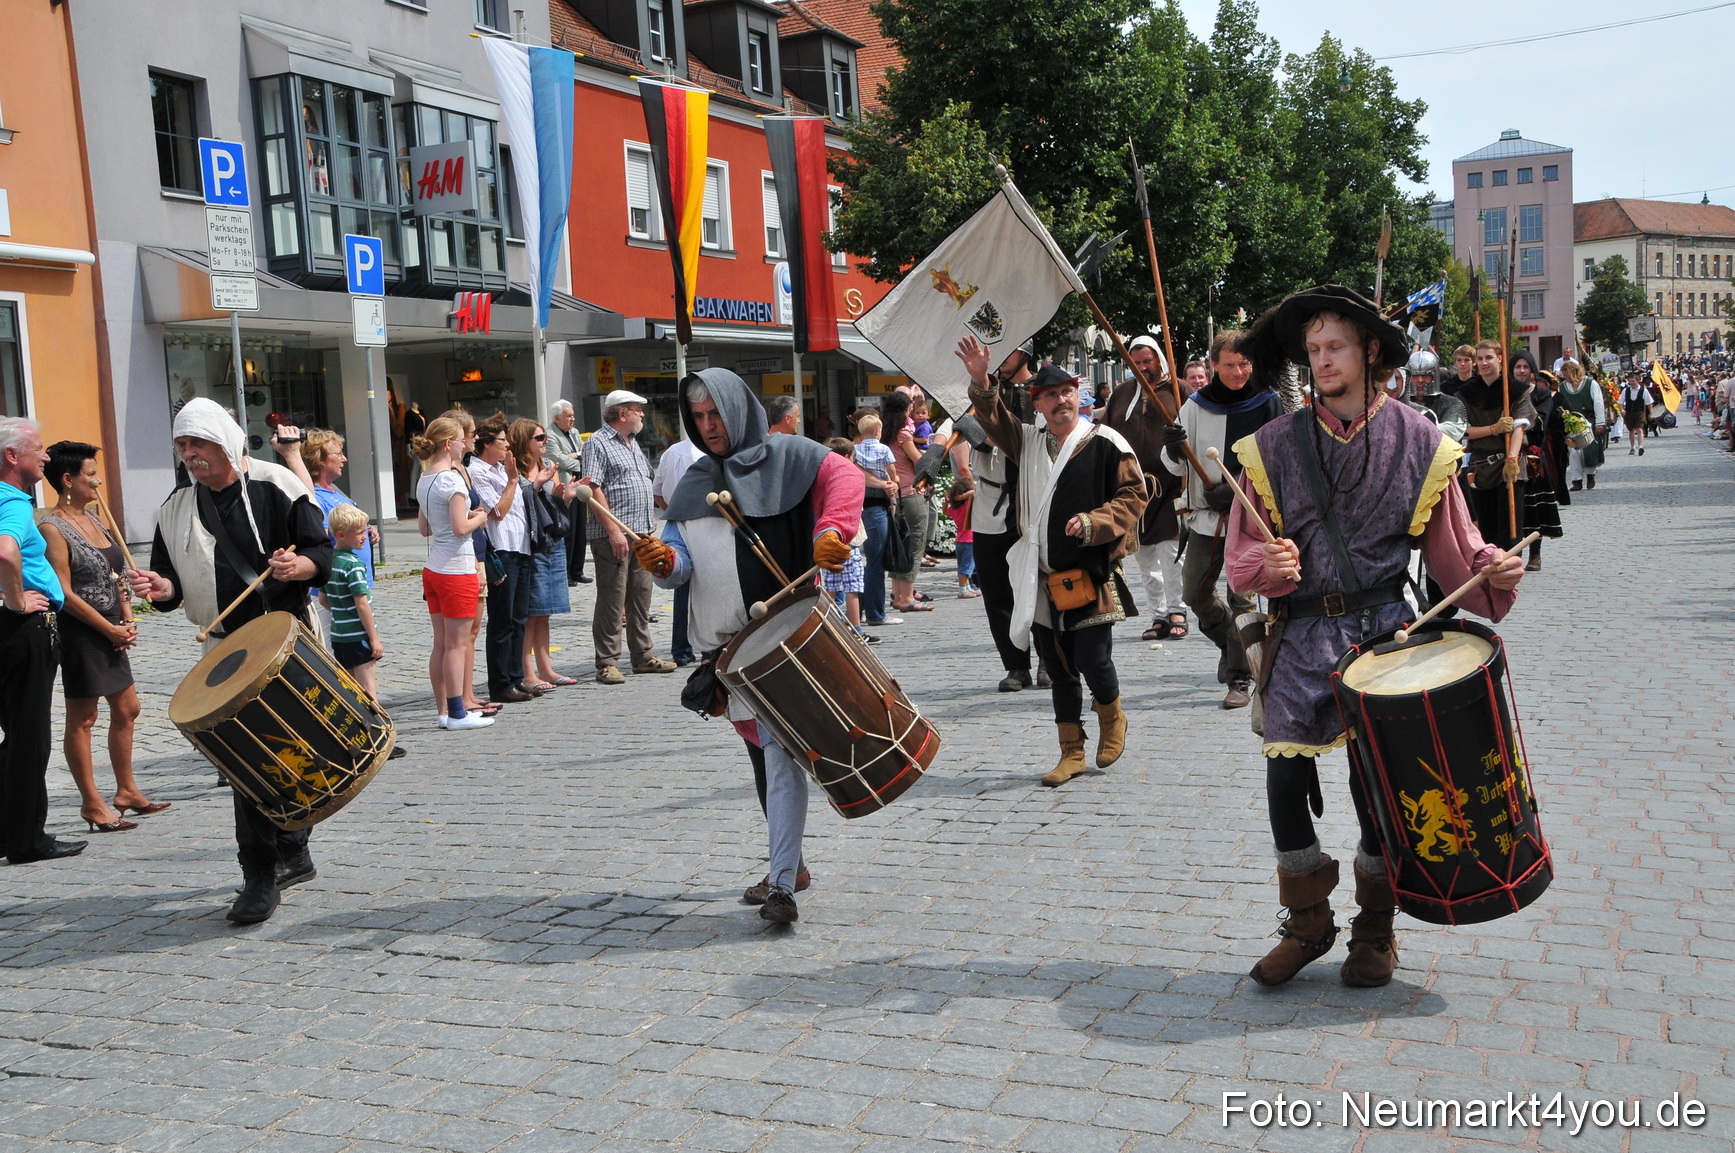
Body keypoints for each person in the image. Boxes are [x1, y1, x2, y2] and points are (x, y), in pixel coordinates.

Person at [1227, 284, 1525, 988]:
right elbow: (1240, 553)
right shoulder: (1270, 445)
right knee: (1283, 778)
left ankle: (1375, 926)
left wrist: (1495, 569)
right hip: (1299, 635)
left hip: (1385, 633)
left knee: (1378, 790)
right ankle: (1305, 922)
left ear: (1368, 352)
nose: (1321, 361)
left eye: (1333, 347)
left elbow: (1456, 547)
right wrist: (1266, 567)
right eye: (1312, 350)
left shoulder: (1420, 440)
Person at [639, 368, 865, 922]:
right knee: (767, 762)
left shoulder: (790, 455)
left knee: (780, 759)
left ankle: (783, 884)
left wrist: (830, 530)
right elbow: (682, 562)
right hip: (727, 655)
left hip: (785, 641)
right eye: (698, 417)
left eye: (716, 413)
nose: (708, 426)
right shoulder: (695, 480)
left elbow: (847, 481)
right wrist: (664, 564)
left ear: (738, 409)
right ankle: (792, 865)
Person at [127, 400, 333, 922]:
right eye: (181, 445)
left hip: (287, 640)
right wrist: (160, 587)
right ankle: (258, 878)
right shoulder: (174, 507)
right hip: (224, 650)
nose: (189, 453)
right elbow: (169, 586)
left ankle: (295, 846)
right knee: (246, 765)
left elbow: (322, 555)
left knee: (297, 751)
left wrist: (297, 566)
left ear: (224, 440)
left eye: (197, 443)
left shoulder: (279, 485)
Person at [958, 341, 1147, 787]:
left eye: (1067, 391)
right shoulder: (1026, 441)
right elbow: (994, 419)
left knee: (1093, 659)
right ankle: (1071, 751)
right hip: (1038, 575)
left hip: (1090, 572)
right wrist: (983, 380)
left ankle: (1112, 715)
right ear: (1037, 402)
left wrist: (1095, 521)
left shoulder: (1105, 442)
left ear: (1078, 393)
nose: (1060, 400)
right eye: (1050, 394)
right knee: (1058, 667)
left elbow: (1134, 495)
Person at [40, 441, 161, 835]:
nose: (98, 481)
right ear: (67, 480)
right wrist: (108, 627)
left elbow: (117, 573)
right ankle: (92, 803)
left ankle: (126, 790)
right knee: (84, 717)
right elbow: (64, 593)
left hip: (112, 625)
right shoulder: (52, 527)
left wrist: (126, 616)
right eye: (91, 475)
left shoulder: (97, 519)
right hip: (81, 631)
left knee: (128, 708)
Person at [1160, 330, 1284, 710]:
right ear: (1214, 364)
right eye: (1229, 364)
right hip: (1205, 519)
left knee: (1242, 600)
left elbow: (1279, 460)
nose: (1238, 371)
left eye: (1244, 363)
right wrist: (1171, 444)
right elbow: (1175, 464)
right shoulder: (1196, 405)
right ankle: (1232, 647)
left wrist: (1237, 492)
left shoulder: (1268, 401)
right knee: (1195, 593)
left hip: (1250, 518)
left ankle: (1240, 678)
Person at [0, 419, 79, 866]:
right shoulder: (11, 501)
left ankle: (7, 831)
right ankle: (26, 839)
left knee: (13, 734)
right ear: (13, 457)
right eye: (39, 449)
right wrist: (12, 601)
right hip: (23, 630)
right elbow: (5, 551)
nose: (46, 457)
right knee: (29, 737)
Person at [581, 389, 675, 683]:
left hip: (641, 533)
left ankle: (643, 655)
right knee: (612, 598)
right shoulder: (598, 443)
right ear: (622, 414)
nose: (642, 414)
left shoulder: (632, 443)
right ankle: (607, 661)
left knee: (640, 596)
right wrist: (613, 531)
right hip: (615, 535)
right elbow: (594, 489)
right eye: (637, 409)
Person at [1099, 335, 1188, 643]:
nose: (1142, 368)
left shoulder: (1178, 390)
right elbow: (1107, 434)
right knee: (1145, 556)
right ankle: (1159, 614)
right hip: (1133, 488)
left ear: (1158, 360)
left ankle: (1178, 610)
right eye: (1136, 363)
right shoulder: (1122, 394)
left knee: (1170, 551)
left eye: (1147, 362)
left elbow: (1194, 430)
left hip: (1170, 484)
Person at [964, 342, 1040, 691]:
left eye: (1010, 350)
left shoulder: (1045, 389)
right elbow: (970, 433)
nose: (1000, 358)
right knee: (997, 591)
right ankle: (1016, 666)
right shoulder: (974, 392)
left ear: (1024, 354)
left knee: (1040, 588)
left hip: (1034, 498)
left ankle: (1050, 663)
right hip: (991, 501)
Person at [412, 416, 493, 731]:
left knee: (441, 642)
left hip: (434, 568)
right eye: (461, 438)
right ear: (449, 444)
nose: (464, 443)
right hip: (456, 568)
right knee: (457, 645)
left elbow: (424, 527)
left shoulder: (425, 478)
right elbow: (461, 529)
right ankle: (458, 713)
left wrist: (460, 518)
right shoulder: (452, 479)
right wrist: (480, 518)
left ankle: (444, 710)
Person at [469, 415, 537, 704]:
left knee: (519, 617)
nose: (507, 445)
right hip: (501, 548)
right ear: (486, 443)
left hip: (520, 546)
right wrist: (512, 480)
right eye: (501, 441)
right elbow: (497, 510)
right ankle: (500, 683)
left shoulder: (501, 468)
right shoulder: (478, 470)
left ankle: (516, 676)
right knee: (502, 619)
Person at [1456, 341, 1534, 550]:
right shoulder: (1465, 393)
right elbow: (1462, 430)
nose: (1484, 363)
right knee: (1484, 530)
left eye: (1488, 357)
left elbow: (1520, 425)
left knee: (1510, 530)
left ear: (1499, 359)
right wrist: (1493, 428)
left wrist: (1512, 458)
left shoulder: (1516, 390)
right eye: (1480, 359)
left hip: (1509, 464)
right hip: (1480, 466)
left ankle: (1508, 578)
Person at [518, 418, 576, 690]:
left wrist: (565, 497)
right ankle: (527, 671)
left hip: (552, 542)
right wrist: (536, 486)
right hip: (531, 545)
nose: (544, 442)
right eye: (539, 438)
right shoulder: (515, 472)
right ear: (524, 442)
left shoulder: (546, 468)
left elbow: (549, 510)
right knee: (532, 612)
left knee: (545, 611)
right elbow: (517, 506)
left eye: (544, 438)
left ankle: (546, 668)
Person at [320, 504, 385, 704]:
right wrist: (374, 639)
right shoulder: (354, 565)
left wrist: (341, 611)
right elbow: (362, 604)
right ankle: (376, 728)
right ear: (340, 535)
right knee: (368, 691)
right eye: (358, 533)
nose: (364, 536)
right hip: (358, 635)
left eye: (365, 530)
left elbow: (323, 599)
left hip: (339, 636)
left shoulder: (329, 561)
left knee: (350, 691)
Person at [652, 429, 704, 665]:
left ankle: (681, 649)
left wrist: (671, 510)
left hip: (676, 518)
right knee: (704, 584)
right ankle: (706, 647)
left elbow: (658, 493)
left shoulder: (671, 452)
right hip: (699, 521)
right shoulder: (702, 454)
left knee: (681, 584)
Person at [881, 390, 933, 614]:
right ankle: (907, 597)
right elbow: (919, 461)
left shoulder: (883, 434)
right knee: (914, 544)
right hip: (910, 494)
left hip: (893, 497)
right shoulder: (903, 435)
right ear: (905, 410)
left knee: (898, 545)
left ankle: (897, 594)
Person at [851, 411, 899, 627]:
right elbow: (893, 472)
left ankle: (860, 610)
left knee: (865, 561)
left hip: (861, 506)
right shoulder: (884, 449)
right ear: (878, 431)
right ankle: (876, 613)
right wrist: (893, 482)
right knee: (876, 561)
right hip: (878, 507)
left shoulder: (855, 451)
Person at [1520, 362, 1565, 571]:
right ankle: (1513, 552)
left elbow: (1540, 421)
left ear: (1532, 371)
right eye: (1517, 367)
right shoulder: (1506, 391)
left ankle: (1535, 554)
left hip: (1532, 455)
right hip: (1509, 457)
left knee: (1534, 508)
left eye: (1525, 367)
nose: (1521, 371)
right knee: (1514, 508)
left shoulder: (1541, 394)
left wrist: (1517, 423)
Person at [546, 400, 591, 585]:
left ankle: (577, 570)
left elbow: (584, 452)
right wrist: (576, 458)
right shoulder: (550, 435)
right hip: (565, 487)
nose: (572, 419)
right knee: (568, 529)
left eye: (573, 415)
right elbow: (559, 460)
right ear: (557, 418)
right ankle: (565, 572)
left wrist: (575, 456)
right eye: (568, 416)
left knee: (581, 528)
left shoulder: (573, 433)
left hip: (580, 483)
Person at [1400, 349, 1469, 445]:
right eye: (1415, 375)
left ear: (1435, 376)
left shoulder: (1452, 404)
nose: (1420, 380)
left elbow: (1452, 433)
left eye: (1426, 375)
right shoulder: (1400, 404)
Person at [1620, 375, 1653, 456]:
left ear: (1638, 381)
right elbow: (1620, 402)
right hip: (1629, 413)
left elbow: (1649, 403)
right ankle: (1632, 447)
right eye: (1630, 381)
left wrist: (1651, 413)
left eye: (1633, 381)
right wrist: (1622, 409)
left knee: (1639, 429)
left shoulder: (1643, 390)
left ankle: (1641, 446)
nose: (1631, 383)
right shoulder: (1625, 391)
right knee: (1631, 430)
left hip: (1639, 412)